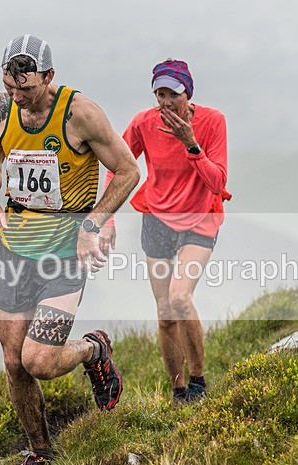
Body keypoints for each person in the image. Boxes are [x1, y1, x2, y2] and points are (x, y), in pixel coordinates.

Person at [0, 35, 140, 465]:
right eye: (10, 87)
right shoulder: (1, 109)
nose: (18, 98)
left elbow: (128, 171)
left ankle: (93, 350)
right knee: (14, 361)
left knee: (40, 360)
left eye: (25, 89)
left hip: (65, 251)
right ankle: (42, 452)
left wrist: (94, 224)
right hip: (14, 249)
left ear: (49, 77)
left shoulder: (80, 114)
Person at [101, 59, 230, 403]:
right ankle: (178, 391)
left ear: (188, 93)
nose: (166, 101)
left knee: (179, 297)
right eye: (160, 93)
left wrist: (191, 143)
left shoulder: (213, 122)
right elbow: (118, 167)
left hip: (201, 217)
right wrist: (108, 219)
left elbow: (218, 181)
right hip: (157, 219)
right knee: (165, 313)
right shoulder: (144, 123)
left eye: (173, 93)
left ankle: (199, 382)